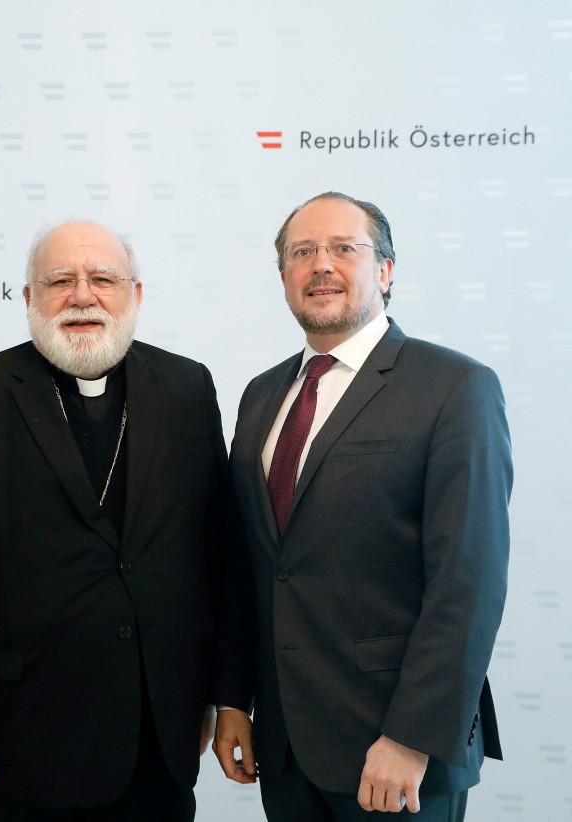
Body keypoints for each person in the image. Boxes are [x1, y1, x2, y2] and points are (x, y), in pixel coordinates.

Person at [0, 221, 254, 820]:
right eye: (60, 280)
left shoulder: (186, 388)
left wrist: (228, 697)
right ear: (28, 299)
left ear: (136, 296)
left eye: (104, 279)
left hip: (159, 733)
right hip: (18, 740)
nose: (82, 296)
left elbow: (222, 558)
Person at [213, 192, 512, 821]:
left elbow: (469, 581)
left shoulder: (454, 387)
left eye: (343, 249)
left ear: (385, 269)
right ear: (285, 277)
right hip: (286, 746)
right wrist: (234, 698)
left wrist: (411, 737)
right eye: (302, 253)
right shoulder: (261, 396)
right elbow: (250, 565)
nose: (321, 265)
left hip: (398, 756)